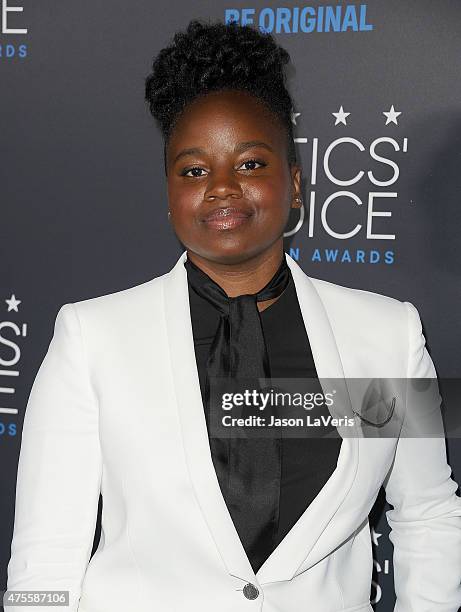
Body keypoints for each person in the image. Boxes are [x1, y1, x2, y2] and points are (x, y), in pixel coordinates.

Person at [5, 18, 461, 612]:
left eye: (249, 164)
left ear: (295, 184)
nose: (221, 188)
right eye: (194, 171)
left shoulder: (386, 336)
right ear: (170, 191)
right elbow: (47, 550)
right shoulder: (94, 338)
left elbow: (427, 513)